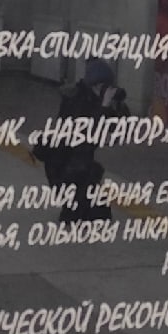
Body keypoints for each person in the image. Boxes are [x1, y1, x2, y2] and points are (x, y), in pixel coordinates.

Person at [30, 59, 129, 222]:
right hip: (63, 166)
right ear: (95, 85)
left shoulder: (96, 101)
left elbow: (122, 128)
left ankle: (79, 199)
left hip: (80, 163)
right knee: (73, 214)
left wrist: (117, 107)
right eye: (104, 86)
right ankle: (71, 203)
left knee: (101, 214)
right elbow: (86, 132)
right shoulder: (75, 101)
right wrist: (104, 107)